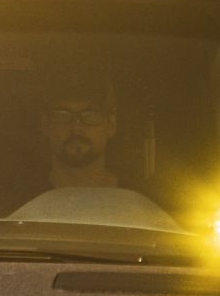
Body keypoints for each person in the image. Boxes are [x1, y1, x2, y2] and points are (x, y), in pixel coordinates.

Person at [10, 68, 176, 230]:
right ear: (45, 124)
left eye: (90, 116)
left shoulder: (147, 207)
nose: (76, 128)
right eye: (62, 115)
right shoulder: (16, 204)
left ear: (110, 125)